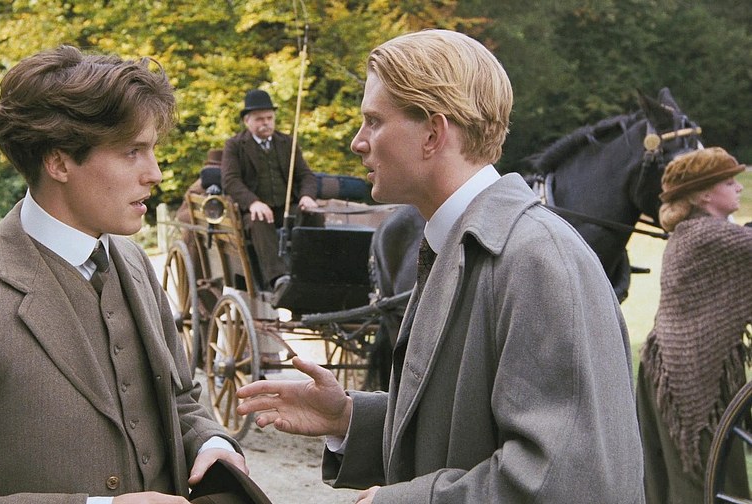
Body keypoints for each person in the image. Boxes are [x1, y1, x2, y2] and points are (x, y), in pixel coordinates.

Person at [237, 29, 645, 503]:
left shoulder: (538, 261)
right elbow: (464, 427)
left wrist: (396, 501)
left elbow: (565, 481)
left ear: (433, 133)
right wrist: (349, 419)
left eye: (374, 121)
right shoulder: (459, 243)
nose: (357, 142)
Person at [0, 45, 249, 503]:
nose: (155, 173)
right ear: (58, 162)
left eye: (152, 150)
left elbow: (180, 402)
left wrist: (213, 443)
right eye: (132, 151)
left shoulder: (133, 262)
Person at [636, 146, 752, 503]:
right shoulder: (706, 237)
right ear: (704, 195)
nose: (739, 187)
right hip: (690, 381)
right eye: (729, 182)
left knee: (682, 483)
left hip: (675, 371)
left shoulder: (694, 232)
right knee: (701, 482)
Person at [220, 89, 319, 291]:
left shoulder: (287, 142)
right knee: (260, 219)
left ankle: (312, 272)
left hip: (286, 208)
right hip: (253, 212)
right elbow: (230, 181)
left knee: (314, 216)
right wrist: (253, 203)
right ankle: (278, 278)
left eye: (269, 118)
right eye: (259, 119)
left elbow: (306, 175)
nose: (266, 123)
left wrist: (307, 196)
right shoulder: (235, 145)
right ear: (247, 121)